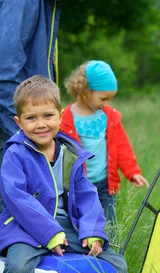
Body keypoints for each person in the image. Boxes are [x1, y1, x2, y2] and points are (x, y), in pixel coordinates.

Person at [0, 75, 130, 273]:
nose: (40, 124)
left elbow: (86, 195)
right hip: (23, 227)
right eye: (31, 118)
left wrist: (92, 230)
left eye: (48, 116)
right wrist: (48, 233)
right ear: (19, 121)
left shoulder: (70, 154)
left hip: (64, 225)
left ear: (61, 116)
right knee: (17, 266)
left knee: (115, 262)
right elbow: (16, 198)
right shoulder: (16, 154)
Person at [0, 0, 103, 221]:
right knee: (17, 198)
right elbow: (4, 72)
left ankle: (23, 261)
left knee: (28, 194)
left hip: (29, 118)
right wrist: (22, 130)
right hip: (19, 119)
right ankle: (9, 264)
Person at [60, 60, 149, 228]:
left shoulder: (109, 117)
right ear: (85, 90)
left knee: (109, 227)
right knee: (81, 226)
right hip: (78, 187)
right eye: (103, 98)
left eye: (109, 99)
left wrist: (133, 172)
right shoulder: (65, 118)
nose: (106, 103)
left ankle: (110, 252)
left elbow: (123, 148)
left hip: (105, 186)